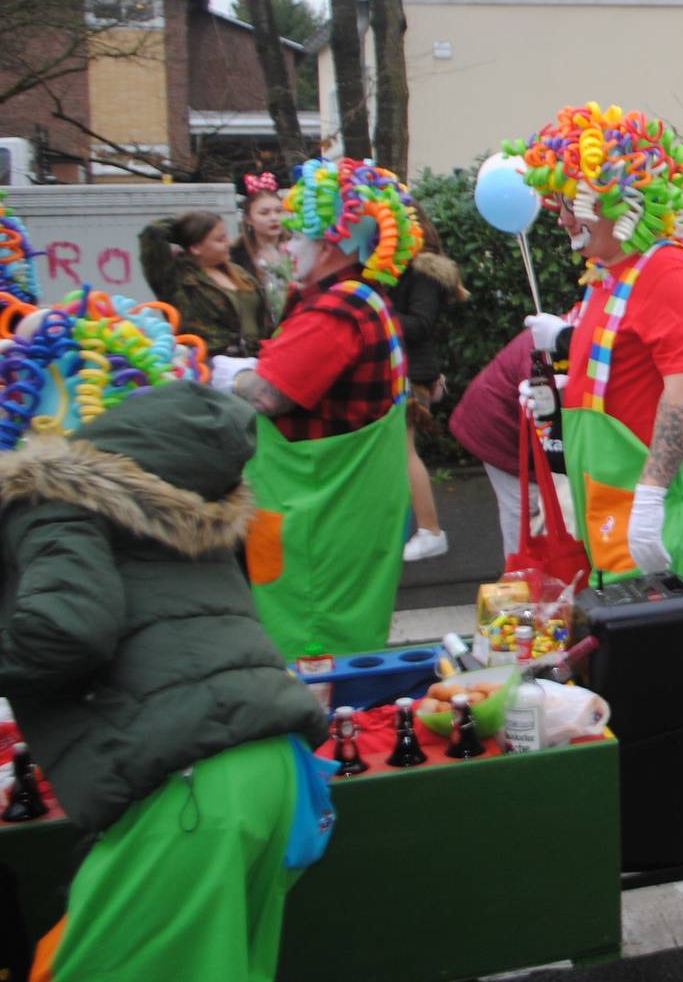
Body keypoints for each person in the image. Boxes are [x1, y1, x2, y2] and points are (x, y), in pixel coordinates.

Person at [0, 312, 326, 982]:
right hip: (267, 770)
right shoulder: (179, 491)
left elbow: (67, 627)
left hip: (186, 787)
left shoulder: (48, 492)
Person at [509, 102, 683, 595]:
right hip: (613, 500)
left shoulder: (669, 273)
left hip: (662, 502)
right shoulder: (611, 277)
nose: (564, 220)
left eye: (573, 203)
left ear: (620, 196)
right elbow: (627, 374)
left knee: (675, 641)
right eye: (559, 205)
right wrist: (566, 393)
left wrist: (651, 497)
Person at [232, 157, 422, 660]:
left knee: (315, 651)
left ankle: (323, 730)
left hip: (317, 519)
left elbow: (271, 394)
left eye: (298, 234)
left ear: (332, 241)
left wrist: (227, 374)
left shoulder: (336, 312)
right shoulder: (369, 298)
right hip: (345, 514)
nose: (288, 245)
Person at [394, 206, 469, 562]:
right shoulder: (403, 268)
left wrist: (373, 313)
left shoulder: (422, 271)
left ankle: (430, 529)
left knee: (402, 451)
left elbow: (420, 324)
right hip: (404, 370)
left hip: (410, 373)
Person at [448, 328, 543, 552]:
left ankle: (522, 573)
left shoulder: (559, 334)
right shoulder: (549, 352)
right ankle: (519, 575)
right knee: (523, 509)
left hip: (505, 423)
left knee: (529, 510)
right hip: (500, 430)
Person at [137, 210, 274, 360]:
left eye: (226, 236)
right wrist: (186, 229)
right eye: (220, 239)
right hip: (209, 363)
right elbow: (152, 233)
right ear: (196, 248)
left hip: (257, 358)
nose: (228, 242)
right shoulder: (176, 278)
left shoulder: (237, 272)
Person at [230, 171, 296, 319]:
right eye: (264, 213)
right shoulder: (236, 256)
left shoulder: (296, 249)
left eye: (279, 211)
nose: (274, 218)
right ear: (248, 219)